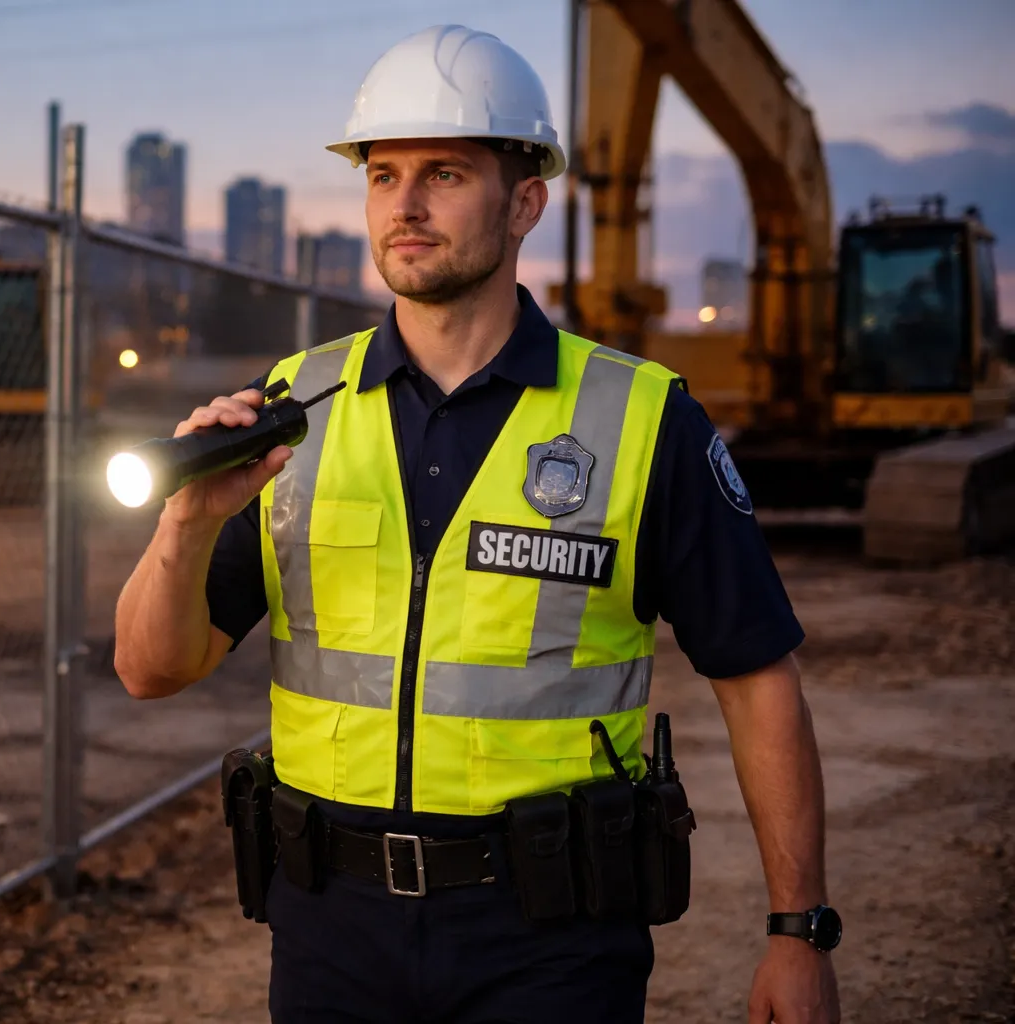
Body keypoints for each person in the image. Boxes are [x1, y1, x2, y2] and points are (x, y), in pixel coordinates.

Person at [113, 24, 842, 1024]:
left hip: (550, 937)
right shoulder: (291, 409)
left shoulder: (640, 419)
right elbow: (148, 670)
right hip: (331, 930)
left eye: (444, 174)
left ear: (526, 202)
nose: (404, 206)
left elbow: (757, 677)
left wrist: (798, 932)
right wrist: (186, 523)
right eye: (383, 175)